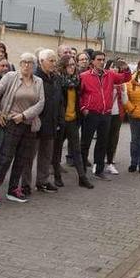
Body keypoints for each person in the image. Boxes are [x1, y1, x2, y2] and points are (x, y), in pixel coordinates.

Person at [0, 53, 45, 206]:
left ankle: (13, 189)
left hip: (29, 124)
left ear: (34, 65)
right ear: (20, 64)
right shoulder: (10, 77)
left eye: (30, 63)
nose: (27, 65)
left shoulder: (38, 81)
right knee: (5, 158)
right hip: (11, 123)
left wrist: (24, 115)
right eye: (24, 62)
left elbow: (41, 103)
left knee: (22, 158)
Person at [80, 51, 131, 181]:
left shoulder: (110, 75)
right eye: (99, 59)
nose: (102, 62)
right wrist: (83, 108)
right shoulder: (84, 76)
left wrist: (125, 68)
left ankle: (99, 170)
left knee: (102, 143)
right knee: (85, 142)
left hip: (105, 114)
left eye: (103, 59)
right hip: (91, 114)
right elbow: (79, 94)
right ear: (92, 61)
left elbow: (125, 78)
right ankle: (81, 170)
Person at [53, 55, 93, 188]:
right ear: (63, 67)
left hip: (73, 120)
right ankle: (57, 176)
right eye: (69, 65)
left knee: (76, 150)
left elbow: (77, 100)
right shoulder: (58, 81)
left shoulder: (76, 81)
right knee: (57, 150)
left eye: (73, 65)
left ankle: (82, 177)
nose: (72, 67)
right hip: (60, 121)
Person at [34, 49, 62, 193]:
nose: (53, 63)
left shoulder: (56, 78)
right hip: (36, 123)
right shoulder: (35, 78)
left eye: (54, 60)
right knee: (29, 156)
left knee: (46, 155)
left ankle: (42, 181)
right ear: (41, 62)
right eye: (50, 60)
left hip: (51, 123)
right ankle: (25, 183)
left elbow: (59, 101)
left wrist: (59, 120)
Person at [103, 59, 129, 176]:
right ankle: (100, 161)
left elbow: (125, 101)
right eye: (112, 67)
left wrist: (123, 92)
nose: (114, 69)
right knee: (103, 138)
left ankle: (110, 162)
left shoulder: (121, 83)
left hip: (117, 114)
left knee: (113, 139)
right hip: (105, 113)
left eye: (116, 68)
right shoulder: (103, 80)